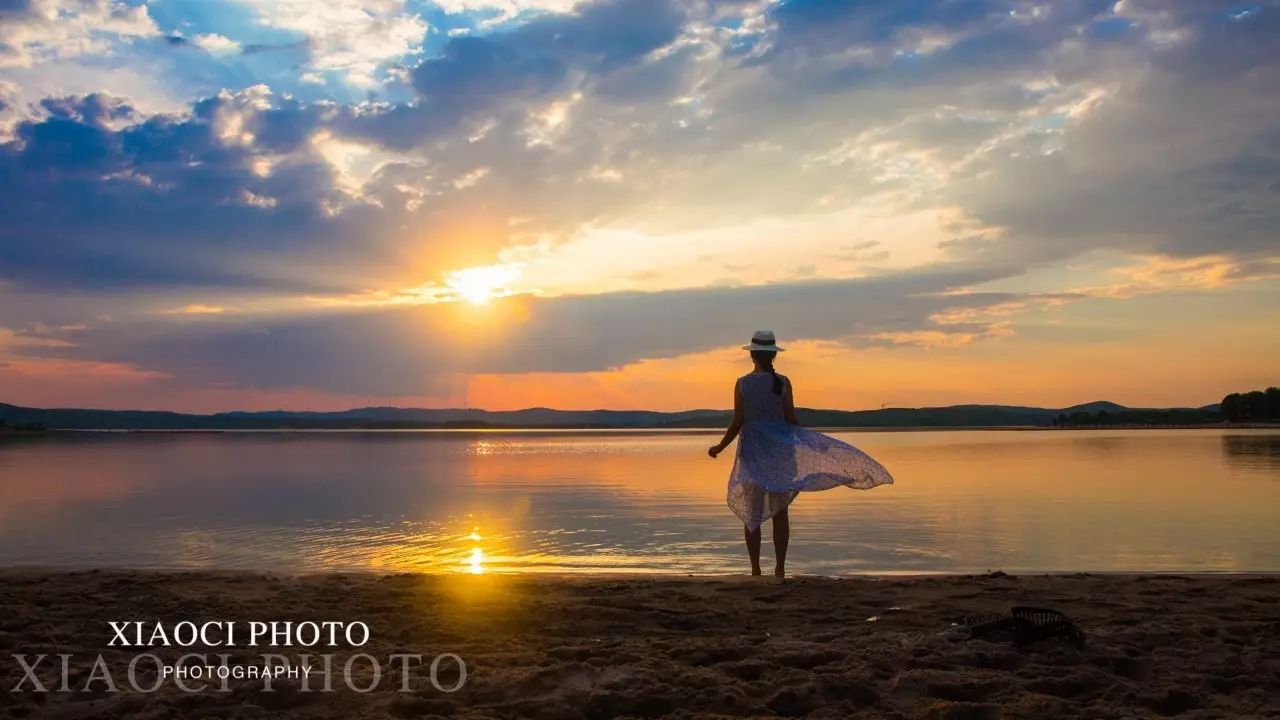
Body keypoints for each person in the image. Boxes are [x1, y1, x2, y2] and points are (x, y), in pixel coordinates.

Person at [708, 330, 894, 577]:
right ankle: (780, 570)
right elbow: (791, 420)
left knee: (752, 514)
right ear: (773, 356)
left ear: (752, 354)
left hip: (753, 450)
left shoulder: (743, 383)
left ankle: (755, 571)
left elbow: (738, 421)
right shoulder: (783, 382)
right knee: (780, 513)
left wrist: (719, 447)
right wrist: (812, 444)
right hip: (782, 451)